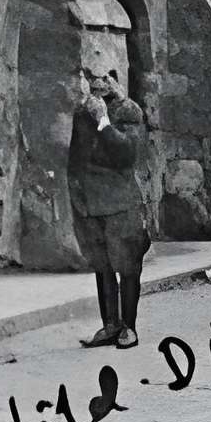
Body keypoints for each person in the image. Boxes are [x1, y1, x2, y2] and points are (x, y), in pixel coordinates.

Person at [68, 62, 151, 352]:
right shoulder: (82, 114)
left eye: (104, 78)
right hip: (92, 204)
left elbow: (126, 154)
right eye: (91, 77)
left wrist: (103, 122)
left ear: (115, 82)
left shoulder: (128, 112)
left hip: (122, 204)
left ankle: (129, 327)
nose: (97, 84)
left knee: (127, 267)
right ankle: (110, 325)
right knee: (102, 267)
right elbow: (75, 158)